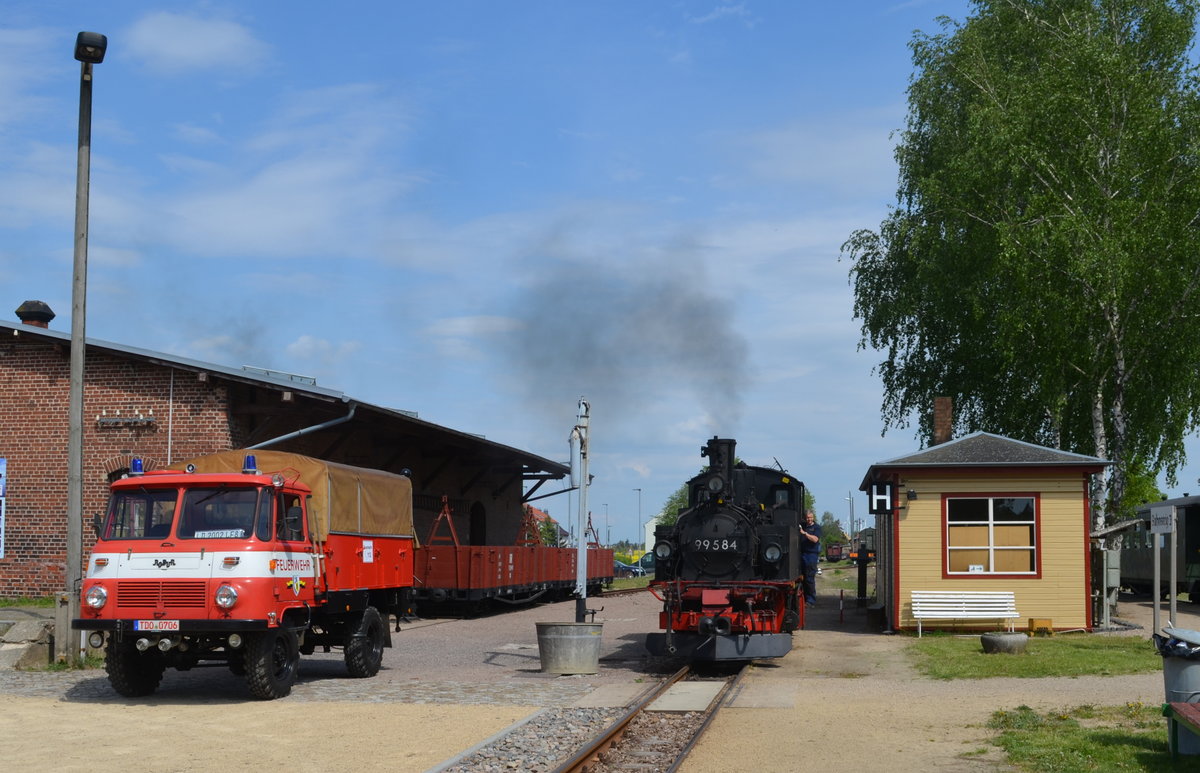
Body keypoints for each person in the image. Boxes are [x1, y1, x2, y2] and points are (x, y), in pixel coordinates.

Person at [799, 510, 822, 606]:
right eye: (807, 517)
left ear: (813, 517)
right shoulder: (803, 525)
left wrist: (804, 533)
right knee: (802, 577)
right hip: (802, 554)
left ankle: (811, 600)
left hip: (811, 555)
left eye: (810, 517)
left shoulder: (816, 527)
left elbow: (815, 539)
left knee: (809, 578)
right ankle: (803, 599)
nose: (809, 519)